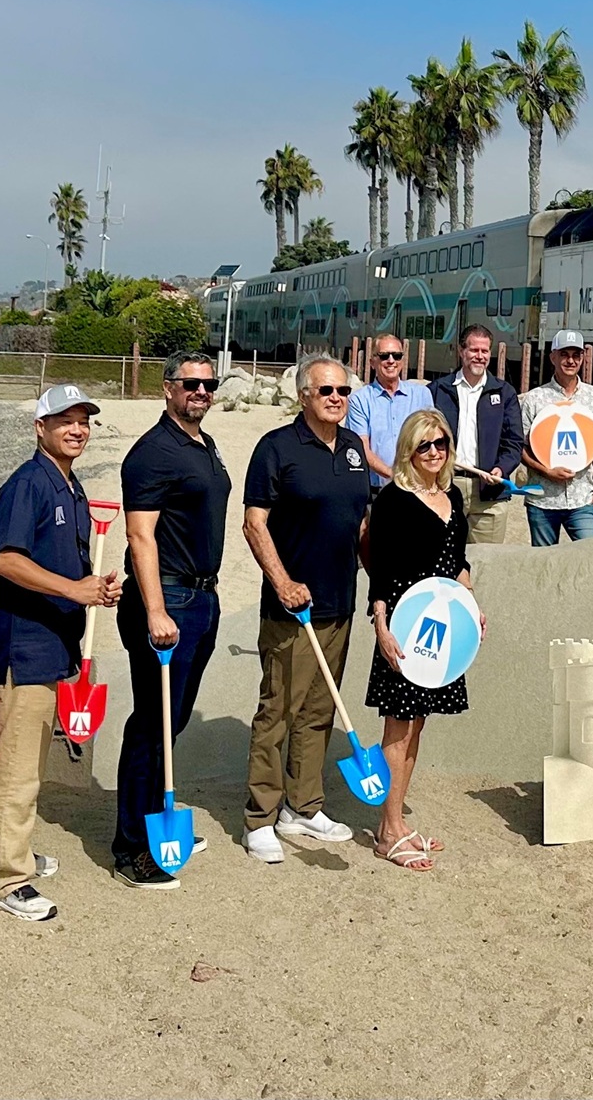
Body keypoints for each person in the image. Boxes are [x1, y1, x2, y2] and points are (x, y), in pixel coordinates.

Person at [0, 386, 119, 921]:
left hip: (55, 644)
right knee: (17, 769)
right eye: (64, 420)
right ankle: (8, 880)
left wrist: (95, 588)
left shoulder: (70, 484)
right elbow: (5, 560)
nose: (77, 429)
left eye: (83, 420)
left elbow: (65, 565)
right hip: (25, 647)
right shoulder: (27, 484)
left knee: (31, 763)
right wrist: (73, 590)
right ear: (40, 426)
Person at [239, 354, 372, 863]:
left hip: (340, 603)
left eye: (343, 391)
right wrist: (282, 582)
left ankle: (303, 806)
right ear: (303, 396)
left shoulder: (354, 448)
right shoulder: (276, 448)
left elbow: (360, 523)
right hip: (292, 611)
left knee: (319, 712)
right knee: (278, 712)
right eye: (326, 391)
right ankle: (260, 818)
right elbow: (254, 523)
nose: (336, 398)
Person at [110, 352, 233, 890]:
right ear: (167, 388)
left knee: (172, 721)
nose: (201, 391)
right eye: (190, 383)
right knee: (150, 726)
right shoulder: (152, 453)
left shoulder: (203, 444)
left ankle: (158, 821)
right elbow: (140, 536)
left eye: (209, 383)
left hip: (203, 597)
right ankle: (132, 848)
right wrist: (156, 610)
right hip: (169, 600)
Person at [362, 410, 476, 871]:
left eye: (440, 443)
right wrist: (381, 626)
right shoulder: (393, 499)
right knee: (398, 725)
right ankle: (389, 830)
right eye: (423, 445)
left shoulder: (453, 495)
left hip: (443, 629)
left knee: (418, 725)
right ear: (409, 450)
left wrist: (471, 607)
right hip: (405, 628)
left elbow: (458, 561)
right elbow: (380, 569)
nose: (433, 452)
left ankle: (397, 822)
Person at [515, 330, 593, 544]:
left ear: (583, 358)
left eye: (576, 355)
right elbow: (520, 447)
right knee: (544, 560)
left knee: (590, 558)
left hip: (584, 499)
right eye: (564, 354)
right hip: (542, 500)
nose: (570, 361)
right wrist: (546, 471)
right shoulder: (534, 399)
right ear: (552, 357)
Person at [430, 323, 525, 513]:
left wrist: (501, 468)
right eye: (474, 350)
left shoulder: (505, 393)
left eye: (485, 351)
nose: (480, 356)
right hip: (445, 487)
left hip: (490, 494)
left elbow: (514, 441)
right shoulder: (437, 390)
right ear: (461, 351)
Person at [344, 334, 435, 484]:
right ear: (372, 362)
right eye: (384, 356)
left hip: (417, 485)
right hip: (377, 488)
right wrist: (393, 476)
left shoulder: (422, 395)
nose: (391, 360)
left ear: (402, 361)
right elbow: (360, 448)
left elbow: (432, 440)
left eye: (397, 356)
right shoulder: (359, 400)